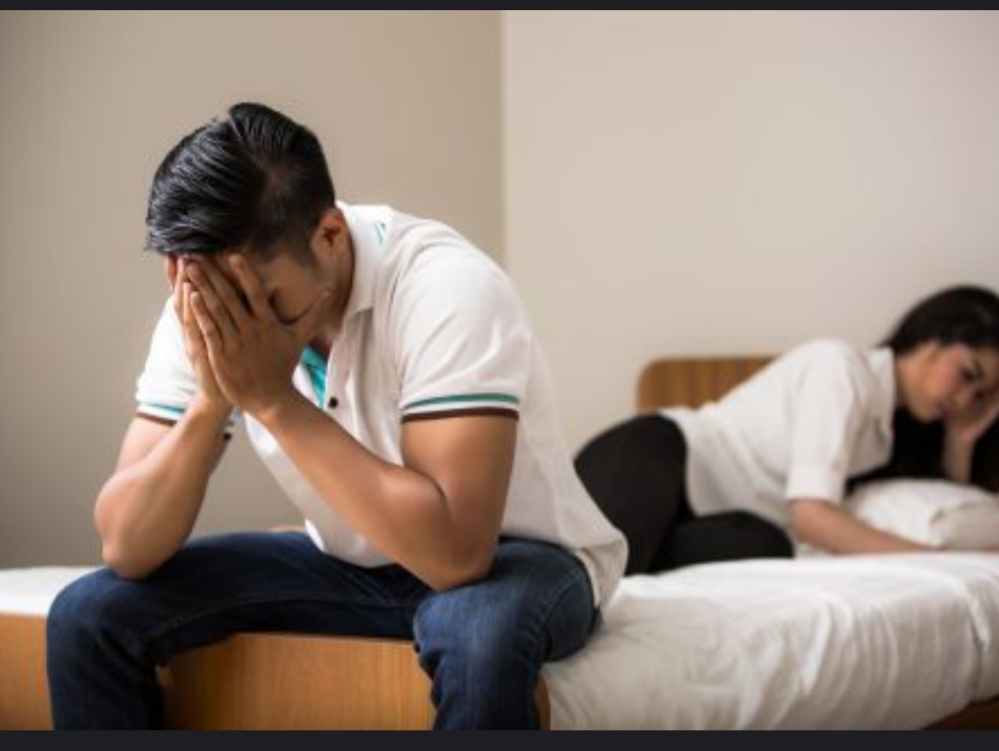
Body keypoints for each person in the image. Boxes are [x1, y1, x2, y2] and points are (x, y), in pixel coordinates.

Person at [45, 103, 626, 729]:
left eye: (265, 300)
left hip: (518, 556)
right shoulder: (209, 305)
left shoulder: (449, 287)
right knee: (90, 615)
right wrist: (212, 401)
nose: (244, 326)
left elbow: (457, 557)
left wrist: (273, 401)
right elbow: (127, 546)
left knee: (473, 629)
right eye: (225, 303)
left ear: (329, 235)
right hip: (355, 563)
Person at [575, 286, 999, 575]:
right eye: (968, 375)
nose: (966, 399)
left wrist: (960, 439)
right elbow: (812, 517)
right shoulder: (843, 370)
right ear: (933, 338)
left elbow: (943, 509)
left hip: (712, 518)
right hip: (660, 456)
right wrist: (948, 562)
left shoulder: (885, 439)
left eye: (980, 395)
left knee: (769, 545)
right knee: (595, 580)